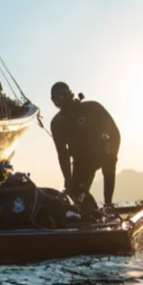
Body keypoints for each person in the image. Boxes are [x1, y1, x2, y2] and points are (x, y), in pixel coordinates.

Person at [50, 82, 121, 212]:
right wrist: (68, 178)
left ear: (71, 94)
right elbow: (62, 154)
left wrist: (112, 154)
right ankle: (86, 212)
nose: (63, 99)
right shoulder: (57, 123)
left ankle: (108, 204)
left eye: (66, 95)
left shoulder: (93, 108)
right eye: (59, 97)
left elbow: (115, 133)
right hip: (81, 161)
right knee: (75, 195)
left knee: (109, 165)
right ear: (54, 101)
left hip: (102, 152)